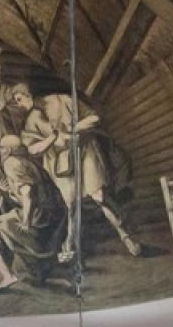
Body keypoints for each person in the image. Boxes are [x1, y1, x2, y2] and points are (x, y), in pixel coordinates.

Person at [23, 92, 141, 261]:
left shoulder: (64, 100)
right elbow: (32, 148)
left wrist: (73, 128)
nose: (19, 105)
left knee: (99, 196)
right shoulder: (31, 119)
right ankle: (69, 244)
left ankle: (126, 235)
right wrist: (51, 139)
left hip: (84, 151)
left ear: (28, 94)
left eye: (19, 99)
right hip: (60, 162)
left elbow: (93, 118)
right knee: (71, 205)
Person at [0, 134, 65, 291]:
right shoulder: (28, 161)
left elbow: (27, 193)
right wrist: (8, 193)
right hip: (54, 217)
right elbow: (33, 195)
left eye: (2, 147)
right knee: (25, 269)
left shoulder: (11, 163)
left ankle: (8, 276)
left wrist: (26, 222)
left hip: (39, 218)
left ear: (9, 150)